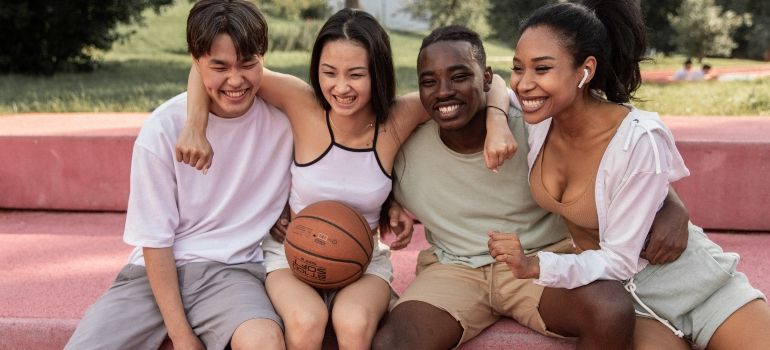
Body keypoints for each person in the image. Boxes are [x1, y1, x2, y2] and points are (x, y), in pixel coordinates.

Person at [176, 9, 516, 349]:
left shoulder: (396, 119)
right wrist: (195, 127)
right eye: (329, 73)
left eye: (356, 74)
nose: (341, 87)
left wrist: (498, 123)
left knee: (352, 322)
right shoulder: (300, 103)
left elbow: (496, 82)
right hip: (291, 254)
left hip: (364, 259)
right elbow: (206, 65)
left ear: (377, 73)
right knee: (307, 320)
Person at [372, 25, 690, 350]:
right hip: (454, 268)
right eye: (429, 81)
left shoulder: (534, 123)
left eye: (459, 76)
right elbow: (360, 179)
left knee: (609, 309)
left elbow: (617, 152)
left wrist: (670, 202)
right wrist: (390, 204)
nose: (443, 91)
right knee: (392, 342)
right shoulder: (406, 147)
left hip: (542, 259)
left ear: (486, 78)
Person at [491, 1, 770, 349]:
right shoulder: (542, 118)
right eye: (519, 68)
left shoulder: (638, 137)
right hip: (634, 304)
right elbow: (492, 86)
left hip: (696, 287)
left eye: (542, 68)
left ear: (585, 70)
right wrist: (496, 123)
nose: (524, 83)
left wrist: (535, 265)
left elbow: (619, 259)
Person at [65, 1, 289, 349]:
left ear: (263, 58)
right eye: (220, 67)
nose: (236, 80)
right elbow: (155, 241)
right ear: (195, 61)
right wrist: (182, 336)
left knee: (265, 341)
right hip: (152, 277)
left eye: (248, 64)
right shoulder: (162, 129)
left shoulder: (283, 121)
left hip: (232, 272)